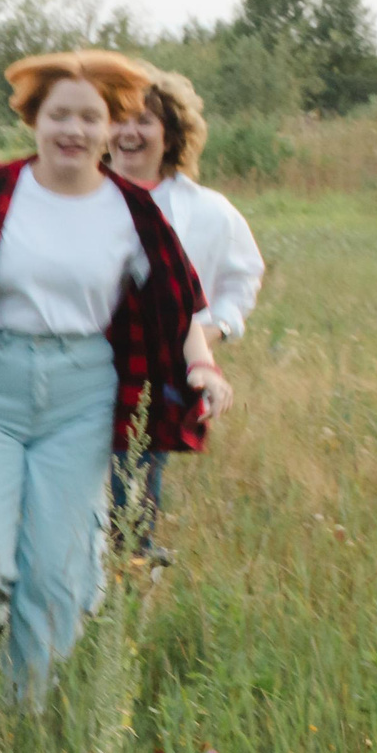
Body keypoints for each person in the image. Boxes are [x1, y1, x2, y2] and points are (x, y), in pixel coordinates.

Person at [0, 50, 231, 698]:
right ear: (34, 120)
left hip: (81, 395)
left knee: (57, 577)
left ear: (110, 126)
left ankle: (18, 718)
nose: (74, 129)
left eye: (90, 117)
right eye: (59, 114)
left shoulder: (134, 212)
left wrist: (202, 362)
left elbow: (178, 304)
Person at [105, 67, 264, 561]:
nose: (129, 131)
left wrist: (207, 336)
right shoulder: (76, 195)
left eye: (145, 120)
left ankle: (129, 580)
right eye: (119, 118)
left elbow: (242, 280)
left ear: (171, 134)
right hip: (74, 367)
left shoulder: (209, 211)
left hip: (150, 376)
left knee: (129, 494)